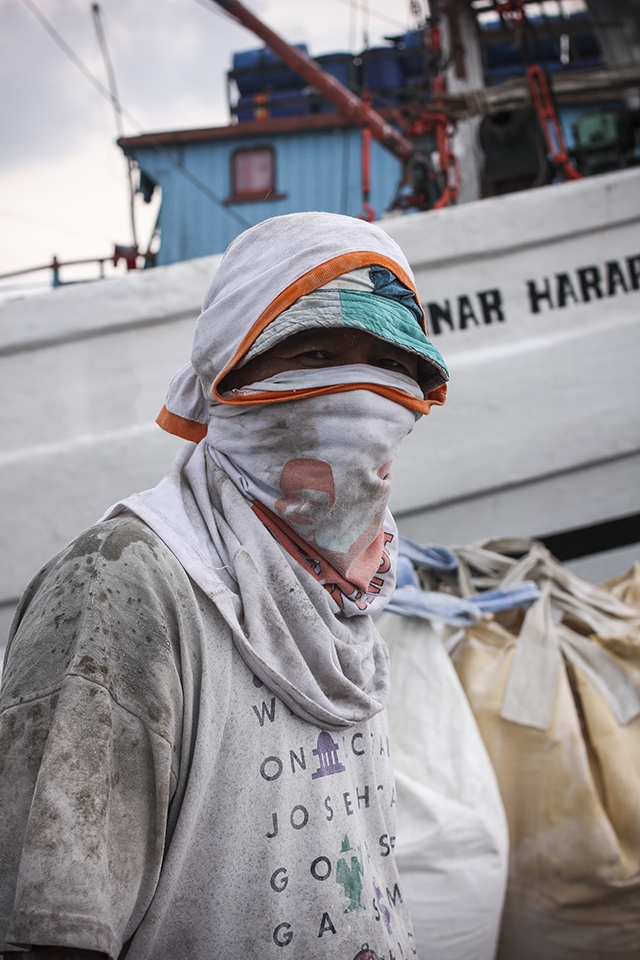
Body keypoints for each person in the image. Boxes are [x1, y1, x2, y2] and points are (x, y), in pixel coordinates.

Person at [0, 212, 448, 960]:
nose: (360, 392)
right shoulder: (122, 586)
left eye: (389, 362)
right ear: (228, 380)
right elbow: (51, 934)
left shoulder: (349, 598)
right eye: (313, 352)